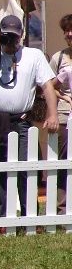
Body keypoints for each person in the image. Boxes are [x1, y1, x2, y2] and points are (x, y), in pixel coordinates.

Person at [0, 14, 58, 215]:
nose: (11, 40)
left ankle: (30, 216)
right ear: (0, 34)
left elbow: (47, 86)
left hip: (22, 120)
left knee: (27, 169)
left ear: (21, 35)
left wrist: (53, 114)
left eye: (14, 36)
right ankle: (1, 218)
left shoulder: (34, 55)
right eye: (7, 35)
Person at [47, 13, 72, 214]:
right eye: (66, 30)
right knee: (64, 161)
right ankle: (62, 208)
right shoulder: (59, 58)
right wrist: (64, 97)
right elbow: (48, 86)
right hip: (65, 116)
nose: (69, 34)